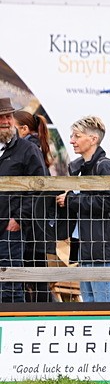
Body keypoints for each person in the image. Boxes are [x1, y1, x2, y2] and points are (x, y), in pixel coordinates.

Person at [56, 116, 110, 302]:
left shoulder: (104, 166)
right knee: (90, 303)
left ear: (93, 139)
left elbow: (109, 202)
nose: (72, 140)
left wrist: (71, 199)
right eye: (72, 136)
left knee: (107, 301)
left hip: (103, 245)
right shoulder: (82, 168)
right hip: (87, 246)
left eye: (77, 136)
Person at [0, 99, 50, 302]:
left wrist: (19, 218)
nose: (6, 121)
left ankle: (12, 328)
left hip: (9, 230)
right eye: (1, 117)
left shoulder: (27, 150)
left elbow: (41, 187)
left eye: (9, 116)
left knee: (11, 285)